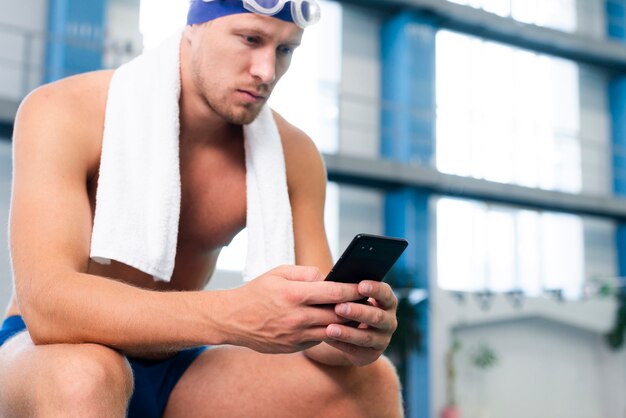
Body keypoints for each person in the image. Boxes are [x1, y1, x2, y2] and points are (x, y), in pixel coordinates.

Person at [0, 0, 403, 416]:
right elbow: (48, 307)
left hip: (177, 364)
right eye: (250, 39)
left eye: (285, 50)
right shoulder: (64, 111)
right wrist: (234, 314)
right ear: (195, 24)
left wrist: (351, 330)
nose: (266, 70)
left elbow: (318, 333)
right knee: (84, 375)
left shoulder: (292, 153)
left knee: (372, 380)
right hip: (44, 350)